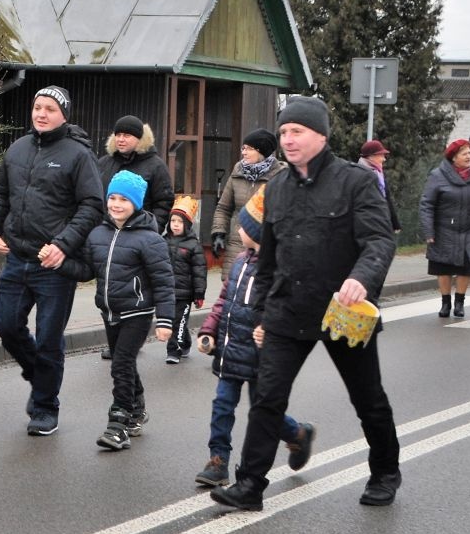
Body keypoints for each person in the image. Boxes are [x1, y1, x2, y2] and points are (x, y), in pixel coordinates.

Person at [209, 96, 402, 512]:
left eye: (297, 131)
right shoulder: (277, 188)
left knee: (367, 398)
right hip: (287, 309)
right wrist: (261, 314)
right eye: (283, 132)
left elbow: (380, 240)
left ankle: (385, 472)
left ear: (321, 135)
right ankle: (250, 484)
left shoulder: (356, 181)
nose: (288, 139)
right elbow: (267, 261)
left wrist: (361, 278)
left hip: (342, 311)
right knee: (267, 398)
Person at [0, 86, 103, 437]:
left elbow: (92, 206)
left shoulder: (78, 155)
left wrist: (63, 245)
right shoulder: (17, 149)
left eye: (50, 108)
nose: (41, 113)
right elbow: (1, 196)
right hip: (17, 258)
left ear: (63, 114)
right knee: (6, 325)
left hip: (53, 265)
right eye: (37, 107)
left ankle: (45, 407)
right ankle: (40, 379)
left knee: (49, 338)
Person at [193, 186, 314, 488]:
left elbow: (284, 308)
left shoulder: (277, 271)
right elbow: (223, 302)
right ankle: (217, 461)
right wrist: (208, 331)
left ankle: (297, 434)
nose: (238, 231)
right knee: (222, 406)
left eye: (244, 227)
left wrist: (270, 330)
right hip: (231, 352)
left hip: (261, 356)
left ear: (260, 234)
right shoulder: (239, 262)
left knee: (264, 411)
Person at [84, 171, 174, 451]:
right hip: (109, 311)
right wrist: (58, 263)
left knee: (121, 364)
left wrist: (165, 320)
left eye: (123, 199)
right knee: (125, 364)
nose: (116, 204)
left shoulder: (150, 239)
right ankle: (137, 409)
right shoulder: (98, 233)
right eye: (112, 197)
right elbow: (86, 270)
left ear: (136, 203)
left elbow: (163, 281)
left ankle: (118, 425)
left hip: (137, 312)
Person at [419, 139, 470, 318]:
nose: (468, 157)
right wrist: (428, 231)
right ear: (454, 157)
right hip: (444, 230)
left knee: (466, 268)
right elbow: (427, 204)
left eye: (469, 153)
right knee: (443, 268)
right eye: (464, 154)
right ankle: (445, 302)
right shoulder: (437, 175)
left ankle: (460, 302)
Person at [210, 129, 285, 269]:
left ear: (262, 151)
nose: (244, 152)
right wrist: (218, 233)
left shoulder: (280, 177)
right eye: (243, 148)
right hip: (236, 247)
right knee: (232, 282)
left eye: (249, 149)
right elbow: (223, 208)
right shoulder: (238, 172)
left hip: (264, 248)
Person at [97, 115, 175, 224]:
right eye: (118, 135)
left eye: (127, 135)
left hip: (140, 230)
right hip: (105, 229)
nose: (121, 139)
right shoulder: (103, 163)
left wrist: (151, 229)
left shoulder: (156, 166)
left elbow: (163, 203)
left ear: (139, 139)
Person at [162, 195, 207, 363]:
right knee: (173, 321)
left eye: (180, 222)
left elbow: (199, 271)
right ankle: (185, 342)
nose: (175, 224)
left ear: (187, 224)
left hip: (185, 293)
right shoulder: (163, 241)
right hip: (167, 291)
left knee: (179, 321)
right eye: (173, 221)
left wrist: (199, 294)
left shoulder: (193, 245)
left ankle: (174, 351)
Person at [356, 139, 403, 240]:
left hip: (380, 221)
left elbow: (386, 198)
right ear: (371, 156)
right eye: (381, 155)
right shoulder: (359, 174)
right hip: (367, 225)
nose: (384, 159)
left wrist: (394, 223)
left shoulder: (378, 173)